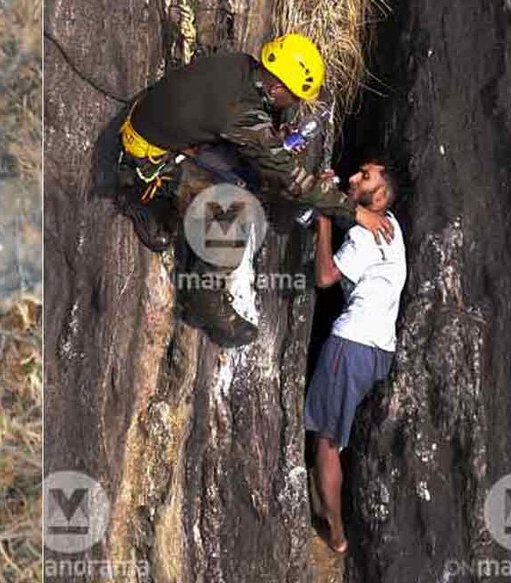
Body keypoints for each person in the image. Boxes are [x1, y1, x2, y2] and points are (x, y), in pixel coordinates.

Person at [116, 33, 394, 347]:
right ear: (277, 89)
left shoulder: (241, 66)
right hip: (148, 157)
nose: (294, 104)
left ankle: (165, 208)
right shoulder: (241, 112)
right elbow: (290, 177)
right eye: (294, 97)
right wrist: (355, 212)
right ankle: (201, 298)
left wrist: (272, 140)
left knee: (248, 175)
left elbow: (237, 126)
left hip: (161, 127)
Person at [305, 159, 406, 554]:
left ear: (379, 197)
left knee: (327, 441)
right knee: (338, 433)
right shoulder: (391, 226)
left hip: (351, 345)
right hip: (380, 350)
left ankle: (336, 534)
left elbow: (325, 277)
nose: (353, 177)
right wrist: (339, 202)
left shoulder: (364, 238)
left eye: (364, 177)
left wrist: (323, 220)